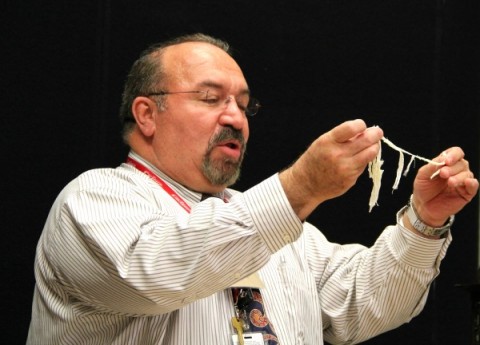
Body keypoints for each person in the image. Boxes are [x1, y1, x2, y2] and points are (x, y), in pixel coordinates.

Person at [27, 33, 478, 345]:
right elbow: (159, 272)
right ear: (147, 114)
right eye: (210, 98)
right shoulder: (93, 200)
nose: (235, 118)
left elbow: (364, 302)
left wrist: (424, 222)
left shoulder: (274, 227)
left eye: (243, 104)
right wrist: (299, 187)